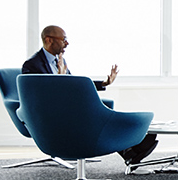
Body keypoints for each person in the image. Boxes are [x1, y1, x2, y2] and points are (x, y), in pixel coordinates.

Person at [21, 25, 157, 165]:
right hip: (52, 114)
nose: (67, 43)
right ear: (49, 40)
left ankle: (128, 148)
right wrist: (61, 78)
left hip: (67, 108)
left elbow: (74, 85)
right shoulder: (32, 65)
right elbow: (37, 97)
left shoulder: (60, 61)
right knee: (93, 112)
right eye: (64, 39)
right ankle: (128, 147)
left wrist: (103, 83)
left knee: (97, 108)